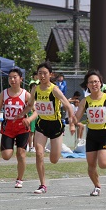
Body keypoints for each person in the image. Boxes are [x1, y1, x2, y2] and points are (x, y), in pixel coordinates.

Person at [22, 61, 76, 194]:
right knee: (39, 153)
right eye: (39, 73)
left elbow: (68, 106)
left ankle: (55, 151)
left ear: (50, 75)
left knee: (54, 159)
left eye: (45, 73)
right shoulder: (35, 89)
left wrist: (72, 123)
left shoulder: (55, 90)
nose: (42, 76)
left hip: (56, 126)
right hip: (42, 125)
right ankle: (42, 185)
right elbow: (30, 105)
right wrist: (21, 115)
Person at [0, 69, 37, 188]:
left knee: (21, 154)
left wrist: (29, 120)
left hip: (22, 126)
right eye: (10, 77)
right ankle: (10, 148)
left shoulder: (26, 94)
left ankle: (19, 179)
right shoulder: (4, 93)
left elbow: (36, 111)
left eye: (15, 77)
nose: (12, 80)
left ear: (21, 79)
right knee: (6, 155)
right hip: (8, 126)